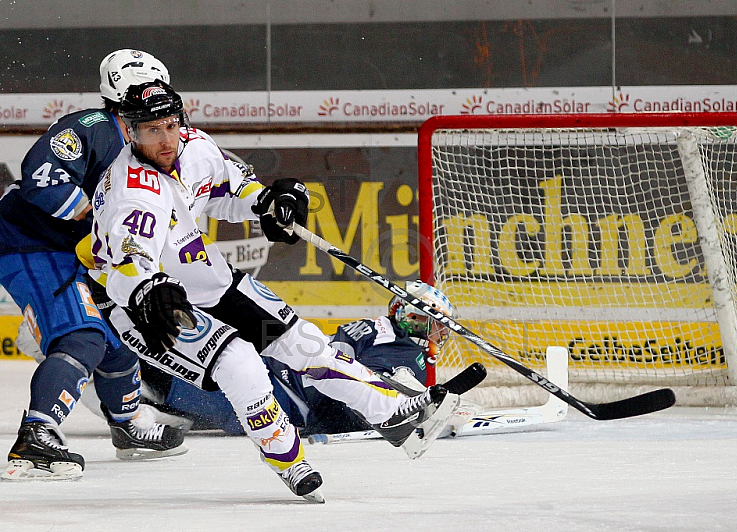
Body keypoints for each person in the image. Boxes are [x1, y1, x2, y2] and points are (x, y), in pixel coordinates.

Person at [84, 79, 460, 502]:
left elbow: (230, 192)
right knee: (240, 361)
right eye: (153, 130)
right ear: (130, 131)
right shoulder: (131, 192)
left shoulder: (195, 147)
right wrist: (148, 287)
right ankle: (288, 459)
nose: (167, 138)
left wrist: (269, 200)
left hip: (206, 280)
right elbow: (130, 261)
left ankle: (390, 414)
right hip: (143, 304)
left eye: (171, 125)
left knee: (302, 343)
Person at [0, 50, 187, 481]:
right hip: (33, 244)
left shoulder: (148, 138)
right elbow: (42, 176)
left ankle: (126, 426)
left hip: (81, 253)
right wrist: (96, 219)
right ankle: (37, 433)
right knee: (83, 336)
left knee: (122, 333)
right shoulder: (93, 127)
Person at [130, 281, 458, 438]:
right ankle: (133, 374)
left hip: (282, 382)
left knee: (209, 382)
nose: (441, 335)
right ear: (417, 319)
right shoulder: (397, 343)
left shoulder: (381, 331)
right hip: (282, 394)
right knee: (208, 386)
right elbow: (338, 392)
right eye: (438, 325)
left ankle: (150, 392)